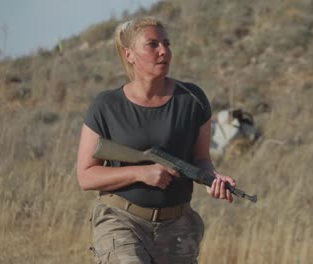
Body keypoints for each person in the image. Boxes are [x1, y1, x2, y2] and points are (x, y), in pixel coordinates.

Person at [77, 16, 236, 263]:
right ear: (129, 54)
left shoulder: (192, 99)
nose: (164, 51)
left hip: (177, 226)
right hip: (121, 220)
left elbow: (201, 159)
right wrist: (140, 173)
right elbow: (86, 176)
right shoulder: (106, 105)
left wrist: (213, 178)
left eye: (167, 43)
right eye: (152, 44)